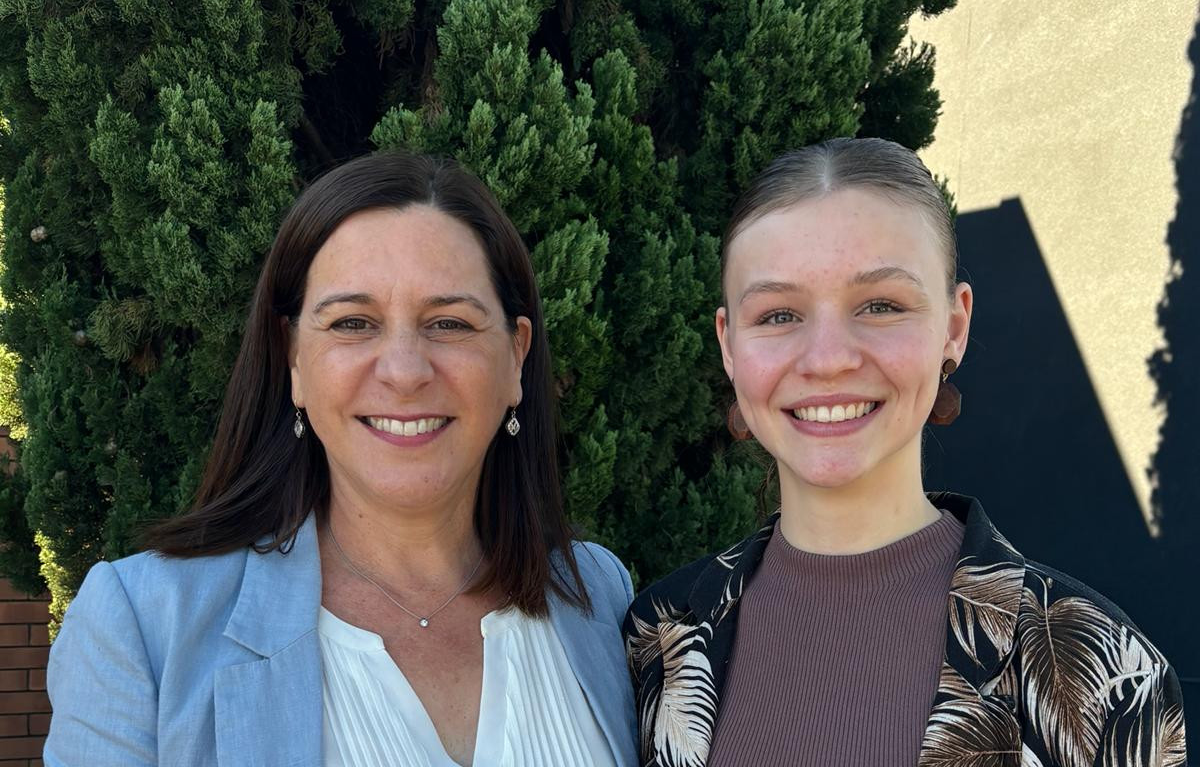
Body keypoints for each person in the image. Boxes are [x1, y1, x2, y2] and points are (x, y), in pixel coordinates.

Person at [45, 151, 636, 767]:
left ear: (515, 358)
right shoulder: (144, 627)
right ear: (294, 359)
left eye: (450, 324)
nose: (405, 371)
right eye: (353, 323)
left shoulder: (597, 592)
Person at [624, 138, 1187, 767]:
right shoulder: (658, 639)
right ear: (730, 345)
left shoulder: (1105, 671)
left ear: (953, 327)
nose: (828, 357)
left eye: (882, 305)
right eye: (780, 315)